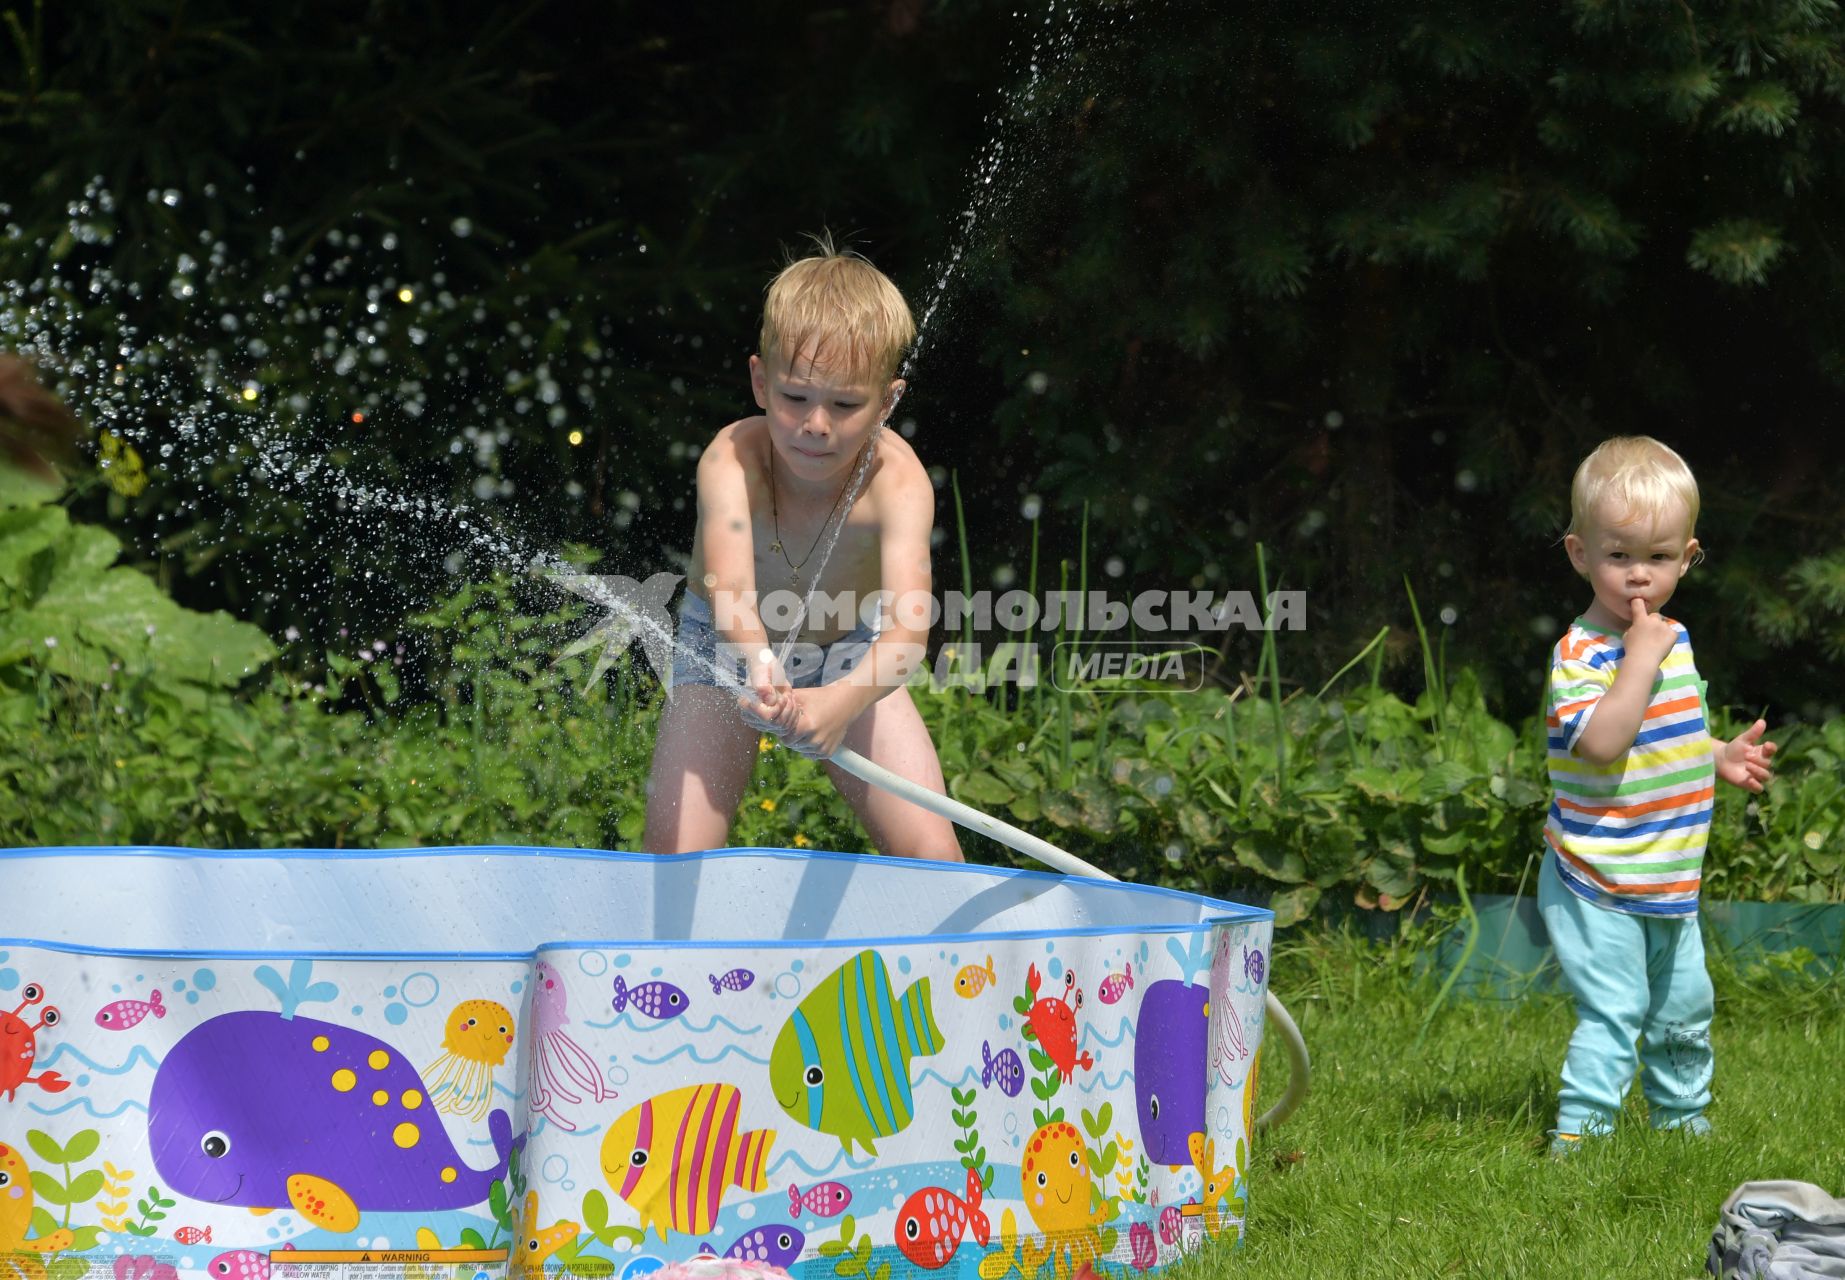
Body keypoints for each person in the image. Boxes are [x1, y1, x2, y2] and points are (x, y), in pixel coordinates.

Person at [641, 240, 963, 861]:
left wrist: (842, 702)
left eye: (845, 405)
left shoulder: (896, 481)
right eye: (796, 397)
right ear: (760, 381)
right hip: (727, 648)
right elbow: (729, 592)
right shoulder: (731, 461)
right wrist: (765, 671)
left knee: (934, 858)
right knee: (673, 856)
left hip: (853, 650)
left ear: (888, 402)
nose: (817, 423)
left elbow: (906, 632)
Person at [1541, 435, 1775, 1156]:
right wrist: (1637, 661)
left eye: (1659, 558)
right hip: (1596, 872)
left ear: (1687, 556)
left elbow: (1656, 734)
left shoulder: (1670, 639)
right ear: (1580, 554)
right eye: (1618, 557)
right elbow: (1604, 741)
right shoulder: (1579, 655)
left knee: (1682, 1009)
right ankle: (1579, 1143)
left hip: (1667, 873)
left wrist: (1715, 756)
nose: (1638, 577)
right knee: (1615, 1009)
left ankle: (1681, 1127)